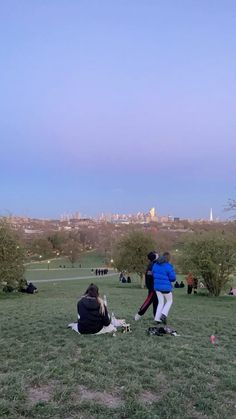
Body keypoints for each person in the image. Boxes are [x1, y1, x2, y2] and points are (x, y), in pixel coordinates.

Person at [152, 252, 176, 324]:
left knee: (160, 303)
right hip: (166, 288)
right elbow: (173, 278)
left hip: (157, 287)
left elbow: (153, 274)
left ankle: (157, 318)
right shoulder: (168, 266)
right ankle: (164, 314)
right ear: (168, 258)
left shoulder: (155, 264)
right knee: (169, 301)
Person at [134, 252, 159, 321]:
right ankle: (139, 314)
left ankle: (156, 316)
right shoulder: (152, 265)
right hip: (153, 288)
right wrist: (150, 287)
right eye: (156, 255)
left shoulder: (154, 264)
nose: (158, 255)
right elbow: (149, 277)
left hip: (156, 287)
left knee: (156, 302)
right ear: (154, 257)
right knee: (148, 302)